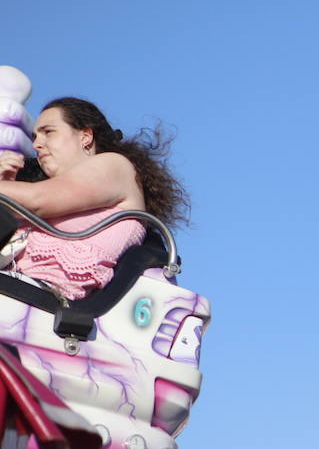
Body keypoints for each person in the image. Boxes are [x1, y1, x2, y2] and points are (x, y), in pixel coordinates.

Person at [0, 97, 189, 299]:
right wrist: (6, 184)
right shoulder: (43, 192)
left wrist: (7, 190)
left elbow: (37, 201)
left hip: (43, 301)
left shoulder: (115, 166)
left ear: (85, 136)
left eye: (48, 132)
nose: (37, 144)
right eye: (34, 137)